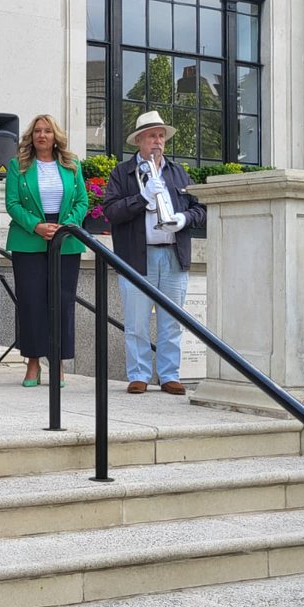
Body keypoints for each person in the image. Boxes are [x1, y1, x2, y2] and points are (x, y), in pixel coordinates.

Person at [103, 110, 207, 395]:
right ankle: (139, 374)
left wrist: (184, 219)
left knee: (172, 320)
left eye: (161, 136)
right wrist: (143, 198)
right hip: (137, 256)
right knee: (136, 321)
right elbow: (111, 211)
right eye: (151, 136)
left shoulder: (178, 172)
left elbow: (200, 209)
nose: (158, 141)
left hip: (173, 254)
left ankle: (169, 374)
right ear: (139, 140)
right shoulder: (122, 173)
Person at [4, 114, 89, 387]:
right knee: (31, 302)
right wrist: (36, 226)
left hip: (66, 240)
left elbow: (82, 201)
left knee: (62, 302)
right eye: (38, 131)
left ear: (56, 137)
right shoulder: (18, 165)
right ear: (31, 136)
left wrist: (67, 226)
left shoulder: (72, 164)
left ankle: (58, 363)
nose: (42, 135)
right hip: (29, 239)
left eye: (48, 131)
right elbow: (12, 204)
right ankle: (32, 362)